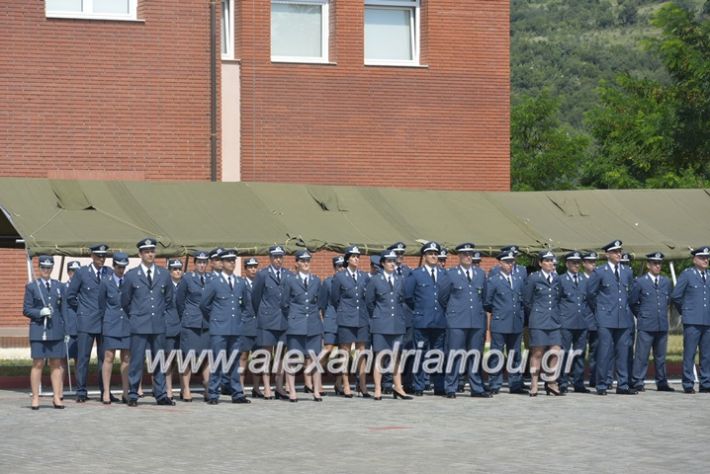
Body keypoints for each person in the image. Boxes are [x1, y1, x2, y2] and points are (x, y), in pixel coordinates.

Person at [121, 238, 175, 406]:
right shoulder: (131, 275)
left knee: (158, 359)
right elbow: (125, 301)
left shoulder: (164, 274)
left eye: (152, 251)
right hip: (139, 324)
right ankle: (133, 394)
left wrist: (158, 314)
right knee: (137, 360)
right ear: (140, 254)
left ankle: (160, 394)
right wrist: (136, 315)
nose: (150, 254)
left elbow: (168, 298)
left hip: (158, 323)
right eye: (146, 252)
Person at [439, 243, 490, 398]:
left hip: (476, 320)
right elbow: (442, 297)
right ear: (459, 256)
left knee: (475, 354)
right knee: (454, 354)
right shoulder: (451, 274)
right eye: (465, 254)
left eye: (470, 254)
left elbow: (484, 296)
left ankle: (477, 387)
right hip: (457, 320)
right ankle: (451, 387)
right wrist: (454, 312)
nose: (468, 257)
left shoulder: (480, 274)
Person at [200, 248, 251, 404]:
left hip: (235, 328)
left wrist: (239, 321)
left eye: (233, 261)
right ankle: (214, 394)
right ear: (221, 263)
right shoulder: (214, 283)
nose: (232, 263)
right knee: (217, 361)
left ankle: (237, 393)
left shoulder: (240, 282)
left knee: (235, 361)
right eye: (229, 261)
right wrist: (215, 318)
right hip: (219, 328)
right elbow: (204, 305)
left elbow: (245, 305)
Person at [586, 240, 636, 395]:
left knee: (623, 353)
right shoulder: (600, 272)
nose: (618, 254)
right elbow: (590, 294)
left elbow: (631, 294)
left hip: (623, 318)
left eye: (620, 251)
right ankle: (601, 384)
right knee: (604, 352)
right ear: (608, 254)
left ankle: (623, 385)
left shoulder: (627, 271)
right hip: (606, 318)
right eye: (615, 252)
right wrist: (601, 310)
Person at [66, 243, 113, 403]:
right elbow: (70, 296)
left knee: (104, 358)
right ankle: (81, 391)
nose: (102, 259)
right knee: (83, 357)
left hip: (104, 321)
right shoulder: (81, 273)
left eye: (104, 256)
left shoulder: (109, 272)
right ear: (92, 256)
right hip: (86, 321)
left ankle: (104, 391)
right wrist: (82, 310)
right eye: (99, 256)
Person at [365, 249, 412, 400]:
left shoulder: (400, 279)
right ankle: (378, 388)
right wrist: (379, 316)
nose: (393, 264)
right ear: (383, 263)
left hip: (397, 323)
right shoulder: (375, 280)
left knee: (396, 357)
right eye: (390, 261)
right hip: (380, 323)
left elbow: (402, 299)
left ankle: (398, 387)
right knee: (380, 357)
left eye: (394, 261)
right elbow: (370, 302)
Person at [403, 241, 448, 396]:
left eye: (436, 254)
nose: (434, 256)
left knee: (437, 354)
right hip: (422, 319)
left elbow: (447, 295)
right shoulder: (416, 274)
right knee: (420, 353)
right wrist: (420, 309)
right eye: (430, 254)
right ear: (424, 256)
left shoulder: (444, 274)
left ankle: (439, 386)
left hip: (439, 320)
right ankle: (419, 385)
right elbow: (408, 295)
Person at [23, 255, 66, 410]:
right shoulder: (32, 286)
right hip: (38, 329)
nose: (46, 270)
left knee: (55, 363)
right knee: (38, 363)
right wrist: (39, 312)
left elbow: (63, 310)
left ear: (52, 268)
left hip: (55, 329)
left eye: (49, 268)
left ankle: (56, 397)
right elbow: (26, 309)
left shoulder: (60, 286)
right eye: (43, 267)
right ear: (39, 268)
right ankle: (35, 397)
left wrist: (66, 329)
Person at [280, 250, 324, 402]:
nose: (306, 263)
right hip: (296, 324)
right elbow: (284, 303)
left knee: (315, 359)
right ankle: (292, 390)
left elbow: (320, 302)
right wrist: (294, 316)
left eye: (308, 261)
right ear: (297, 263)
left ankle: (316, 390)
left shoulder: (316, 280)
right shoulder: (290, 280)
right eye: (303, 261)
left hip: (313, 324)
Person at [484, 250, 527, 395]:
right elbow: (487, 302)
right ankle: (494, 383)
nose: (510, 265)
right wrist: (500, 313)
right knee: (497, 353)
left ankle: (515, 384)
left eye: (512, 262)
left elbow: (522, 301)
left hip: (515, 322)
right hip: (500, 321)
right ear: (500, 263)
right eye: (507, 262)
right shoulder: (494, 280)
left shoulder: (518, 279)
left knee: (515, 354)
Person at [630, 252, 675, 392]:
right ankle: (637, 381)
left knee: (661, 356)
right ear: (648, 265)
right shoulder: (640, 282)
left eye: (659, 263)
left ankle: (661, 382)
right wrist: (642, 315)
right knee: (641, 356)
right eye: (654, 263)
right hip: (646, 324)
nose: (657, 266)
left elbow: (668, 301)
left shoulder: (666, 282)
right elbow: (632, 302)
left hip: (661, 323)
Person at [330, 245, 371, 397]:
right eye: (353, 256)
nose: (356, 259)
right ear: (347, 259)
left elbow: (367, 297)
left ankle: (362, 385)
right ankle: (345, 384)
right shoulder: (340, 277)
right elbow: (335, 299)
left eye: (358, 257)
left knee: (361, 352)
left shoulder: (363, 276)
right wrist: (344, 311)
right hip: (346, 318)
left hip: (361, 318)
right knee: (345, 352)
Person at [252, 245, 292, 399]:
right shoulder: (262, 275)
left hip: (283, 320)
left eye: (280, 257)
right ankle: (267, 387)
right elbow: (255, 297)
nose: (278, 260)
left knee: (281, 356)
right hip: (267, 320)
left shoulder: (288, 274)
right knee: (266, 355)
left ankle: (279, 386)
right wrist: (261, 314)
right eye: (275, 257)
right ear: (270, 258)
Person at [523, 250, 563, 397]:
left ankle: (551, 381)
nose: (550, 263)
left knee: (556, 351)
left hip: (554, 320)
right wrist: (537, 313)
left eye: (552, 260)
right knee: (537, 352)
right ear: (540, 263)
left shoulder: (557, 279)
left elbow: (558, 297)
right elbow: (527, 300)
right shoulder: (534, 278)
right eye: (546, 260)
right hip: (539, 320)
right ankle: (534, 383)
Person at [671, 246, 710, 394]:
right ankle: (688, 383)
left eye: (707, 258)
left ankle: (706, 382)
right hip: (692, 321)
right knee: (690, 353)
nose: (706, 260)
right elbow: (676, 296)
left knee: (706, 354)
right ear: (695, 260)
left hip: (707, 321)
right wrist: (686, 312)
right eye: (702, 258)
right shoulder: (687, 274)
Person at [175, 250, 211, 402]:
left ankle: (208, 388)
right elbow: (179, 301)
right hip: (191, 323)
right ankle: (186, 389)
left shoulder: (212, 278)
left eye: (204, 262)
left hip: (206, 323)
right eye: (199, 262)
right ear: (195, 263)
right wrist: (188, 315)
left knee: (207, 357)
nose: (202, 265)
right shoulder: (187, 279)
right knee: (188, 357)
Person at [97, 252, 131, 404]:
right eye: (118, 267)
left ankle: (125, 392)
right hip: (111, 323)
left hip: (126, 323)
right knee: (109, 357)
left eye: (123, 267)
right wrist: (107, 320)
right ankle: (106, 392)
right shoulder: (106, 281)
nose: (121, 270)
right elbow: (101, 304)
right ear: (113, 265)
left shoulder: (129, 281)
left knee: (126, 358)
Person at [557, 251, 590, 394]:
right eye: (573, 262)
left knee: (580, 353)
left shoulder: (584, 280)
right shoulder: (561, 279)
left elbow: (588, 301)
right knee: (563, 353)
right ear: (567, 264)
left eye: (578, 262)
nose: (576, 265)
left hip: (582, 322)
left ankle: (578, 382)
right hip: (566, 322)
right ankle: (562, 382)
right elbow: (557, 301)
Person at [319, 255, 345, 395]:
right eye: (338, 266)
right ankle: (317, 382)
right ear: (334, 267)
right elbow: (322, 304)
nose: (341, 269)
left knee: (343, 353)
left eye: (343, 266)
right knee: (327, 350)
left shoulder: (348, 281)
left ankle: (338, 383)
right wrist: (327, 318)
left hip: (345, 320)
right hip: (331, 319)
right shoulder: (328, 282)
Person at [242, 257, 263, 398]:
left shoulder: (261, 283)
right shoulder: (241, 284)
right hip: (245, 324)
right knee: (243, 357)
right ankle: (240, 388)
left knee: (259, 358)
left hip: (260, 324)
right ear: (245, 269)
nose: (253, 269)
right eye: (250, 267)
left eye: (255, 266)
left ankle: (256, 387)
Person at [164, 258, 184, 400]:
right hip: (170, 325)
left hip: (184, 326)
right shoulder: (165, 285)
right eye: (174, 269)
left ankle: (184, 388)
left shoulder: (186, 284)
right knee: (169, 359)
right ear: (169, 271)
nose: (177, 271)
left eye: (179, 269)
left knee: (184, 359)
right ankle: (168, 388)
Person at [582, 251, 599, 387]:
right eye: (590, 262)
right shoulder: (580, 279)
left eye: (594, 262)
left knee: (596, 351)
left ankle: (594, 378)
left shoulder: (599, 278)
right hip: (581, 320)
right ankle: (578, 380)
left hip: (596, 320)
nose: (593, 264)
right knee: (579, 352)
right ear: (584, 263)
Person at [63, 260, 81, 387]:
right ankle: (60, 389)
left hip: (82, 328)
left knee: (80, 360)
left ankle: (81, 388)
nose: (74, 274)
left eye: (77, 272)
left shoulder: (84, 288)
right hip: (68, 328)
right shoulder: (63, 288)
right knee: (63, 359)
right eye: (72, 271)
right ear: (68, 273)